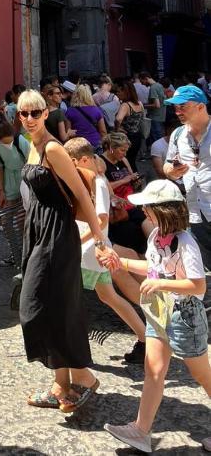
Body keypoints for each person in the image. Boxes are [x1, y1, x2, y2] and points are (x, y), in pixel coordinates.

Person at [17, 89, 116, 414]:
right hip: (38, 231)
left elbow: (82, 196)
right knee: (47, 307)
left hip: (57, 235)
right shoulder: (31, 146)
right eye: (23, 113)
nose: (29, 118)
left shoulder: (54, 149)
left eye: (35, 112)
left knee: (38, 306)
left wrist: (100, 238)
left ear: (47, 113)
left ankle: (84, 377)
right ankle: (61, 383)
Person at [104, 180, 211, 454]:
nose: (145, 212)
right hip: (159, 312)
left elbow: (198, 286)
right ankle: (140, 431)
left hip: (185, 316)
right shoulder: (155, 237)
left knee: (203, 376)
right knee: (153, 372)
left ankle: (140, 431)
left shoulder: (186, 243)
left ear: (163, 211)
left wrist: (161, 284)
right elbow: (153, 267)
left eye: (149, 208)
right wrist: (122, 262)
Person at [65, 137, 146, 365]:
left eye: (70, 162)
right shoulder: (91, 178)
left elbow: (100, 220)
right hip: (94, 251)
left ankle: (70, 348)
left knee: (68, 298)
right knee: (108, 296)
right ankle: (145, 338)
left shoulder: (96, 182)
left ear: (81, 160)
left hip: (87, 252)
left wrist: (76, 240)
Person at [162, 84, 211, 271]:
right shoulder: (177, 134)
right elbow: (167, 165)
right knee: (206, 264)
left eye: (183, 106)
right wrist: (172, 172)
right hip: (195, 212)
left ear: (200, 106)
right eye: (175, 107)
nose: (177, 112)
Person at [102, 131, 154, 254]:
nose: (124, 154)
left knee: (147, 219)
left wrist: (135, 181)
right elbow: (103, 186)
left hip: (131, 202)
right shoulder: (101, 162)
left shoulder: (123, 160)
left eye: (126, 151)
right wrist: (124, 180)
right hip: (117, 208)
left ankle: (157, 248)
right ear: (111, 148)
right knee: (130, 232)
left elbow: (130, 179)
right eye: (122, 150)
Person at [0, 116, 29, 267]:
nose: (9, 145)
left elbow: (31, 163)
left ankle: (26, 255)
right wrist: (0, 191)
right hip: (8, 180)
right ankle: (15, 253)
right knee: (6, 221)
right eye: (5, 143)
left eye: (10, 141)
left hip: (25, 179)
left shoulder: (20, 141)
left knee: (22, 221)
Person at [65, 84, 107, 153]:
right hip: (95, 143)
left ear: (75, 95)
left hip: (78, 146)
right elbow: (103, 131)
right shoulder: (96, 110)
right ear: (89, 95)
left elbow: (68, 131)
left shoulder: (70, 111)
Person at [115, 79, 146, 171]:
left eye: (119, 91)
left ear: (125, 92)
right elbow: (142, 117)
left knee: (126, 162)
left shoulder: (125, 105)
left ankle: (133, 181)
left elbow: (118, 119)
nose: (117, 94)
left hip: (127, 137)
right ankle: (136, 180)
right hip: (137, 136)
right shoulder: (139, 103)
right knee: (132, 160)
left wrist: (117, 129)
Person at [141, 72, 166, 143]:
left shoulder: (153, 88)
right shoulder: (159, 85)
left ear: (146, 78)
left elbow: (157, 105)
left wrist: (143, 106)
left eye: (142, 81)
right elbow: (161, 102)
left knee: (157, 141)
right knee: (160, 139)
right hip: (161, 116)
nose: (142, 84)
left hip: (154, 118)